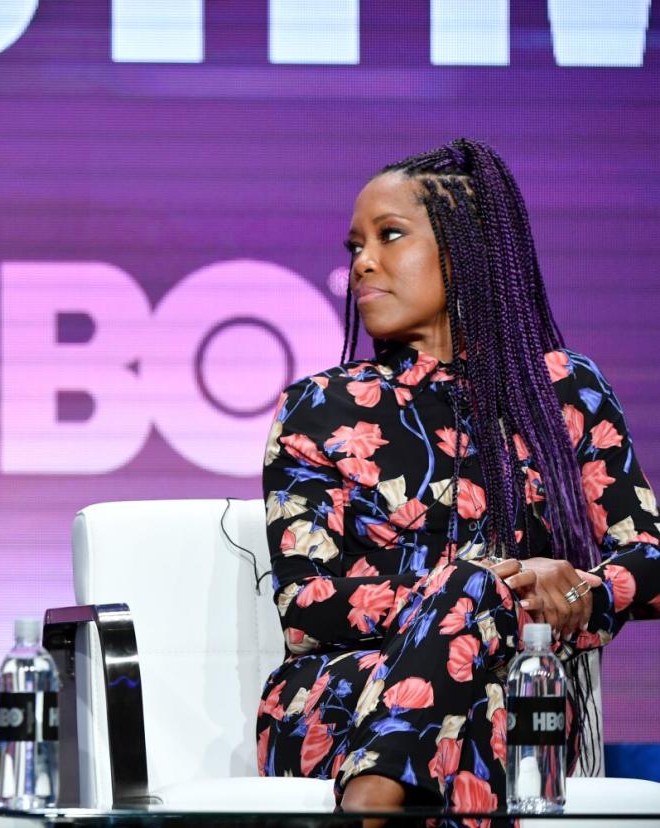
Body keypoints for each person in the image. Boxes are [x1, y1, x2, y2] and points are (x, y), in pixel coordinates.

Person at [256, 139, 659, 823]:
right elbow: (308, 606)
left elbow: (648, 558)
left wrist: (581, 592)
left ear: (464, 248)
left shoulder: (564, 391)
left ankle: (371, 805)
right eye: (355, 246)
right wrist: (490, 593)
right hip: (338, 696)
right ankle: (373, 791)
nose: (362, 263)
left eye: (389, 236)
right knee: (476, 640)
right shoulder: (320, 405)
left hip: (515, 693)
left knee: (492, 704)